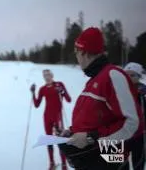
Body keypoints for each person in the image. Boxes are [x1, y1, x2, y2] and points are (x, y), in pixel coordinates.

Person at [58, 27, 144, 170]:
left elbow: (132, 123)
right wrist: (73, 131)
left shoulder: (113, 75)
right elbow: (96, 118)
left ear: (84, 53)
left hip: (114, 157)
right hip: (95, 158)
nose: (76, 57)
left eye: (76, 53)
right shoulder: (94, 80)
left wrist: (91, 137)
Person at [30, 69, 71, 170]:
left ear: (52, 75)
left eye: (48, 74)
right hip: (47, 117)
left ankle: (64, 164)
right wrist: (33, 92)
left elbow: (69, 99)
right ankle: (52, 163)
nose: (47, 77)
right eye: (45, 75)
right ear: (43, 77)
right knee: (49, 140)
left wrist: (62, 91)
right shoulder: (42, 89)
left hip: (57, 117)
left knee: (60, 140)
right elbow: (36, 104)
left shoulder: (58, 84)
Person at [124, 62, 146, 170]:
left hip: (139, 135)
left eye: (132, 75)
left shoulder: (143, 93)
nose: (128, 78)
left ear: (139, 77)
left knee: (138, 163)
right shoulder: (117, 90)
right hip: (120, 134)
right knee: (118, 163)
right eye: (126, 74)